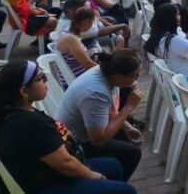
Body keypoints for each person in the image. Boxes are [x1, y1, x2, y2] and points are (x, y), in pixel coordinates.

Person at [0, 61, 137, 194]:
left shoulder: (3, 113)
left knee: (113, 165)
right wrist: (91, 175)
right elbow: (65, 164)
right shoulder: (30, 124)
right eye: (41, 78)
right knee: (126, 190)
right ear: (23, 91)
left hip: (39, 174)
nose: (46, 81)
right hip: (45, 185)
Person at [57, 49, 145, 179]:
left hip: (89, 129)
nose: (136, 80)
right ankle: (114, 187)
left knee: (127, 137)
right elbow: (98, 140)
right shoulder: (96, 93)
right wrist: (129, 106)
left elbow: (110, 111)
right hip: (74, 144)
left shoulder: (107, 74)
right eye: (135, 76)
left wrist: (127, 127)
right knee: (132, 153)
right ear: (119, 77)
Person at [144, 2, 188, 96]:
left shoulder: (161, 37)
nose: (179, 17)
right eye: (177, 14)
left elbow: (185, 45)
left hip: (179, 82)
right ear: (170, 19)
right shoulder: (173, 40)